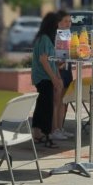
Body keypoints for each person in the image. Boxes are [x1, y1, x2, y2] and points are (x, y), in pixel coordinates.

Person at [30, 11, 64, 147]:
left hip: (43, 77)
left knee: (41, 106)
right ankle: (46, 135)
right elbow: (43, 61)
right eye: (57, 23)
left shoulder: (44, 38)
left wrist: (57, 65)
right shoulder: (44, 39)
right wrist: (54, 79)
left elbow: (48, 60)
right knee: (47, 107)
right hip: (43, 77)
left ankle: (37, 133)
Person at [51, 10, 75, 141]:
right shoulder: (53, 36)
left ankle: (60, 128)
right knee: (56, 101)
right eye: (65, 21)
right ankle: (53, 129)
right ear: (58, 22)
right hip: (58, 70)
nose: (68, 24)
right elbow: (49, 56)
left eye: (70, 21)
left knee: (64, 101)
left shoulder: (69, 35)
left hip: (67, 69)